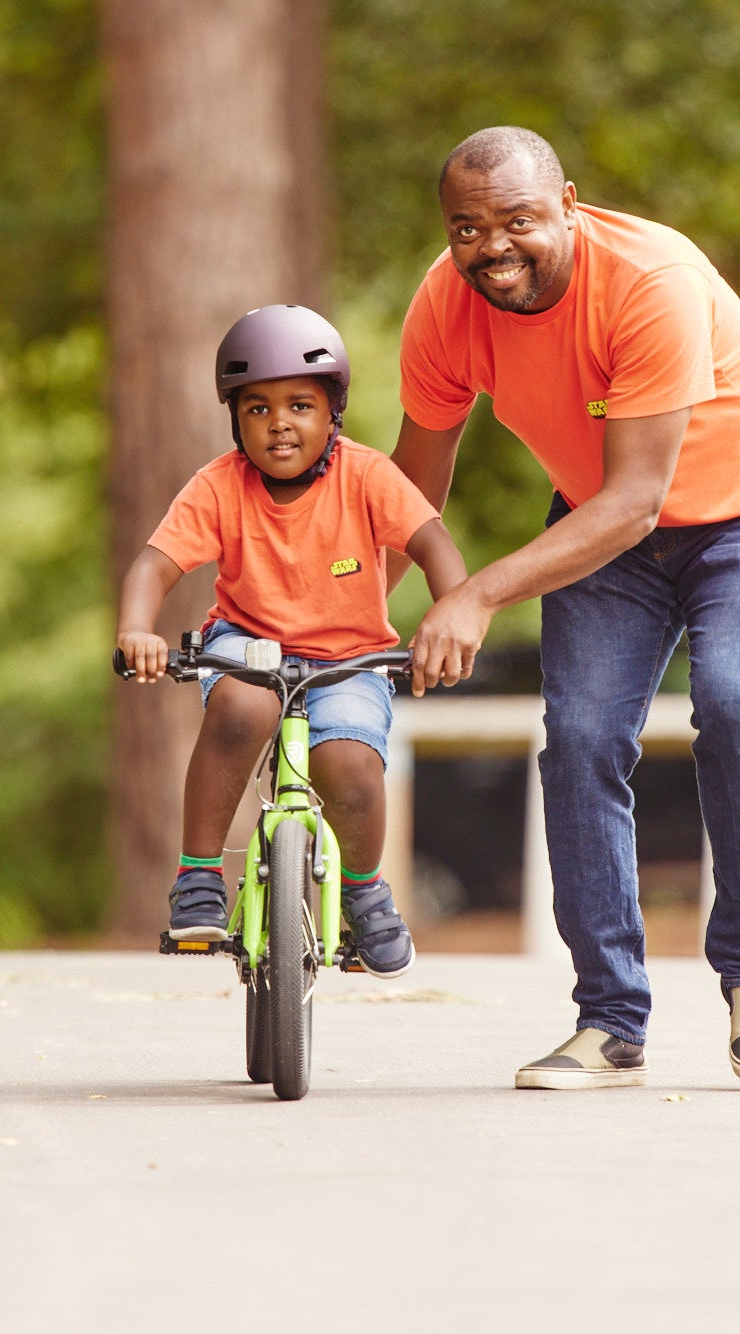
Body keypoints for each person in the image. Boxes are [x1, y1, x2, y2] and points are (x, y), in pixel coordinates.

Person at [395, 127, 740, 1088]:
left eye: (518, 220)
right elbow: (409, 490)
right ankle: (610, 1023)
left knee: (733, 699)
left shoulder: (650, 277)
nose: (492, 246)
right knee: (583, 737)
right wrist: (333, 611)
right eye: (467, 228)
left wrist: (474, 595)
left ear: (570, 205)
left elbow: (639, 500)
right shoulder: (444, 304)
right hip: (604, 522)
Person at [116, 304, 468, 978]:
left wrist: (452, 614)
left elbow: (431, 541)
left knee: (351, 767)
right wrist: (138, 630)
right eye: (257, 408)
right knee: (242, 712)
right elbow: (154, 565)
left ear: (332, 411)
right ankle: (197, 876)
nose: (279, 422)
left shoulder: (366, 477)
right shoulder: (218, 487)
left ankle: (364, 892)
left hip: (349, 660)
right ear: (235, 420)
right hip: (250, 649)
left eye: (300, 404)